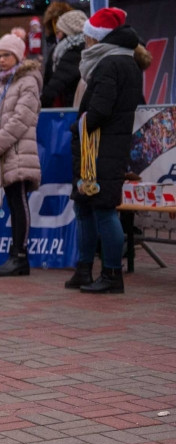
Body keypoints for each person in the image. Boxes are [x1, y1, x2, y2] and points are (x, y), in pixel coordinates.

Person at [67, 8, 143, 294]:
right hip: (103, 147)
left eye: (88, 37)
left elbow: (99, 110)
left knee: (103, 209)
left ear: (96, 38)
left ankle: (112, 273)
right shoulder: (123, 61)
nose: (85, 42)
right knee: (85, 206)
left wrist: (77, 127)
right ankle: (85, 269)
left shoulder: (111, 64)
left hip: (101, 148)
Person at [0, 34, 42, 277]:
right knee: (13, 203)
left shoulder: (28, 81)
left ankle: (20, 256)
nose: (2, 60)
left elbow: (21, 119)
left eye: (7, 55)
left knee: (19, 203)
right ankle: (14, 253)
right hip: (4, 152)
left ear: (18, 55)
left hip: (19, 151)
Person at [41, 10, 87, 108]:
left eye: (59, 32)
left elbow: (55, 84)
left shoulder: (75, 51)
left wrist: (42, 106)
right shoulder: (79, 48)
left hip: (71, 107)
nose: (57, 36)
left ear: (68, 32)